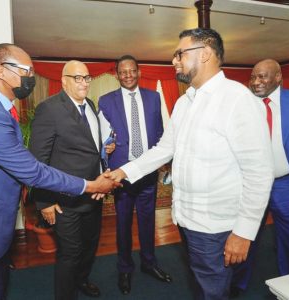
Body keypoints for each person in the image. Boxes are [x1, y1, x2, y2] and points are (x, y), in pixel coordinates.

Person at [0, 44, 119, 300]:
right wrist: (91, 186)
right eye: (26, 70)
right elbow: (33, 169)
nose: (31, 78)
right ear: (1, 71)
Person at [107, 28, 275, 299]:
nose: (175, 61)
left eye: (180, 54)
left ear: (205, 53)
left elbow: (259, 173)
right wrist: (122, 172)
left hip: (217, 227)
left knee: (213, 292)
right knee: (203, 286)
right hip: (187, 221)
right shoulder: (185, 102)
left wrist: (244, 232)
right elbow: (165, 148)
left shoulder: (237, 99)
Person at [231, 59, 289, 296]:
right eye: (253, 77)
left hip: (286, 184)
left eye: (262, 77)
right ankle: (237, 284)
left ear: (278, 77)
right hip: (249, 185)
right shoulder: (242, 104)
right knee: (245, 235)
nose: (256, 82)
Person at [29, 60, 114, 300]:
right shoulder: (49, 109)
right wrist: (44, 202)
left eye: (87, 77)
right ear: (64, 80)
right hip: (64, 200)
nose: (84, 82)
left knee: (89, 247)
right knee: (69, 253)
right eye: (77, 77)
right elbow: (38, 161)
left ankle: (82, 280)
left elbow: (90, 149)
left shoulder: (90, 104)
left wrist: (103, 164)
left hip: (94, 195)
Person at [98, 55, 169, 295]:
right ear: (116, 74)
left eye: (132, 71)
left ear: (139, 72)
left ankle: (149, 263)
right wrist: (106, 147)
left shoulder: (154, 97)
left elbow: (159, 131)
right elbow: (102, 136)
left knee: (148, 221)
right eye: (123, 72)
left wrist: (161, 161)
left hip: (147, 172)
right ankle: (125, 269)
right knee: (123, 223)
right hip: (122, 174)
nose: (128, 75)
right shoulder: (106, 101)